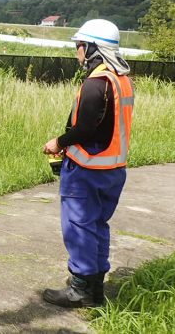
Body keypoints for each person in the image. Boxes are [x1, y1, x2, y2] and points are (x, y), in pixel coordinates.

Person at [42, 19, 134, 308]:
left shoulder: (95, 84)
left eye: (79, 46)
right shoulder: (121, 80)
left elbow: (84, 130)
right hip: (113, 170)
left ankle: (80, 288)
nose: (77, 52)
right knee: (97, 226)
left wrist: (58, 142)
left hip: (87, 171)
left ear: (92, 48)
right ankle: (95, 290)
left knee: (79, 226)